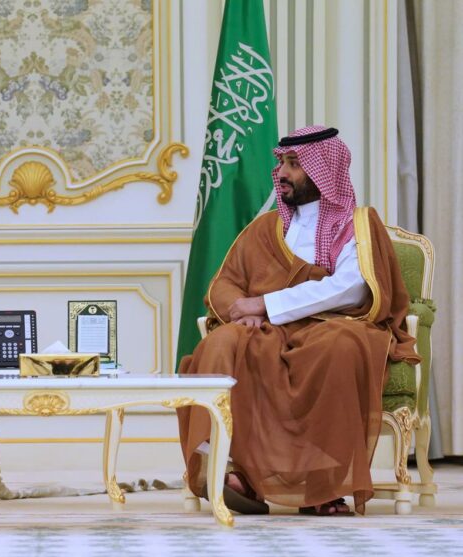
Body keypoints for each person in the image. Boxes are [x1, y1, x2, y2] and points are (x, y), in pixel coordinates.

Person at [177, 126, 419, 516]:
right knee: (220, 344)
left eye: (294, 165)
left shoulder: (356, 224)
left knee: (338, 348)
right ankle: (228, 469)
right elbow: (224, 284)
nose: (283, 174)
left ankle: (323, 485)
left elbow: (352, 288)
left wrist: (266, 305)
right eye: (282, 164)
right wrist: (243, 308)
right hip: (270, 331)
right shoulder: (263, 229)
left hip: (333, 325)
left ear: (324, 170)